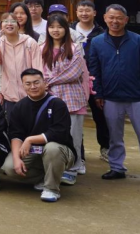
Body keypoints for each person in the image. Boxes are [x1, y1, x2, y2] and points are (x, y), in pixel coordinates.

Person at [87, 4, 140, 188]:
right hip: (110, 97)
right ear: (105, 18)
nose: (115, 21)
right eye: (111, 17)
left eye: (119, 18)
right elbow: (94, 70)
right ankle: (117, 168)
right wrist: (98, 93)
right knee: (114, 136)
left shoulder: (138, 41)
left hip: (137, 97)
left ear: (126, 20)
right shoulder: (97, 42)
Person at [2, 68, 77, 203]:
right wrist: (16, 158)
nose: (33, 86)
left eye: (36, 82)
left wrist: (30, 139)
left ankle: (51, 188)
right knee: (10, 167)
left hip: (60, 150)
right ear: (23, 85)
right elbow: (15, 134)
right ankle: (45, 177)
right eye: (28, 83)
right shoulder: (19, 107)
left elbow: (59, 132)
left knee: (52, 148)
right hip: (34, 152)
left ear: (45, 83)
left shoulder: (57, 104)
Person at [39, 12, 88, 181]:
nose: (55, 30)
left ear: (66, 29)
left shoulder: (75, 48)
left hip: (72, 98)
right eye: (52, 27)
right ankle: (52, 168)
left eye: (59, 27)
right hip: (50, 99)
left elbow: (74, 73)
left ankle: (73, 168)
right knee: (52, 135)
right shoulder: (42, 49)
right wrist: (43, 83)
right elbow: (39, 70)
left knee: (74, 136)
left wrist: (48, 82)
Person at [72, 0, 109, 163]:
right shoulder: (69, 30)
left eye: (88, 10)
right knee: (75, 118)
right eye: (81, 10)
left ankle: (106, 147)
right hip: (74, 81)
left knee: (100, 115)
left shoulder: (102, 33)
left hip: (96, 80)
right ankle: (78, 153)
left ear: (94, 13)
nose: (84, 13)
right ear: (76, 13)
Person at [0, 14, 39, 115]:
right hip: (9, 96)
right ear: (1, 26)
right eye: (5, 21)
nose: (9, 24)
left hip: (31, 93)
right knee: (12, 123)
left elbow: (38, 67)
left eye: (13, 21)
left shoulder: (29, 42)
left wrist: (37, 86)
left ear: (18, 25)